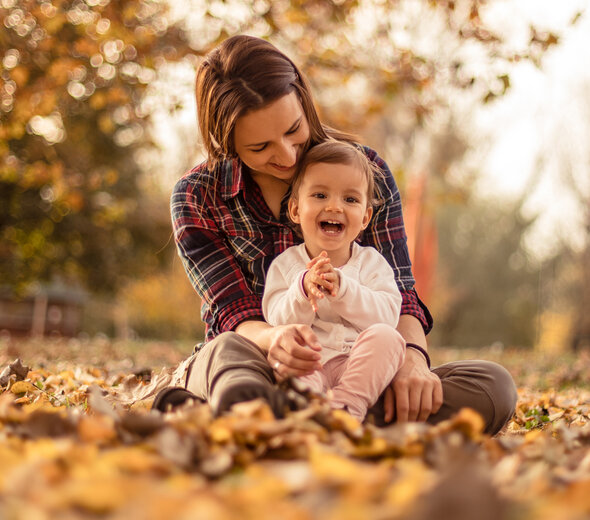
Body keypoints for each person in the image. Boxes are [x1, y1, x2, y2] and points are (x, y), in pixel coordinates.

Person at [155, 34, 517, 435]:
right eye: (260, 147)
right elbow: (231, 314)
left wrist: (412, 360)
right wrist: (278, 339)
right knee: (226, 358)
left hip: (357, 369)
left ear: (304, 100)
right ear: (228, 144)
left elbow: (399, 292)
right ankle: (289, 412)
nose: (289, 155)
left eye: (294, 129)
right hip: (259, 361)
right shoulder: (198, 197)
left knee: (492, 386)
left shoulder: (365, 174)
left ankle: (294, 419)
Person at [261, 140, 406, 421]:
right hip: (308, 361)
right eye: (319, 195)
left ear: (365, 218)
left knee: (390, 339)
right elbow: (276, 319)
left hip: (356, 364)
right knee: (286, 358)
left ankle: (347, 405)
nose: (335, 207)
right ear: (295, 210)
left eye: (350, 199)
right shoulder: (287, 265)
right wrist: (303, 290)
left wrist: (345, 290)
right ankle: (309, 409)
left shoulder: (372, 263)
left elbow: (388, 316)